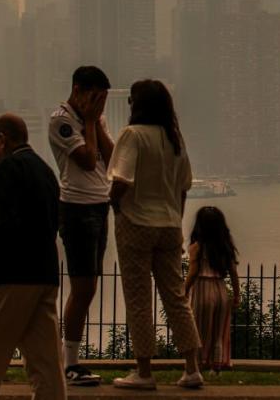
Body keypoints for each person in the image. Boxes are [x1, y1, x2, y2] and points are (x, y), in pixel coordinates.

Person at [0, 114, 65, 400]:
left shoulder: (7, 169)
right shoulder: (45, 171)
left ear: (2, 139)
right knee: (46, 364)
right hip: (44, 274)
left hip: (10, 276)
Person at [107, 80, 202, 390]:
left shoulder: (131, 136)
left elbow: (122, 179)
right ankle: (191, 367)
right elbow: (184, 186)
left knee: (138, 298)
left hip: (136, 222)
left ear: (138, 105)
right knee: (175, 296)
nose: (130, 105)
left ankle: (144, 371)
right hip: (169, 224)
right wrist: (175, 215)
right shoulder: (175, 139)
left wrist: (114, 204)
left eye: (132, 100)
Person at [48, 66, 114, 386]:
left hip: (100, 206)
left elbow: (112, 157)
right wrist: (88, 120)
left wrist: (96, 120)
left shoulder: (95, 120)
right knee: (83, 286)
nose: (99, 105)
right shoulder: (60, 121)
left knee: (89, 286)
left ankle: (71, 360)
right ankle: (69, 363)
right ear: (77, 91)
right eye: (95, 97)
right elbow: (87, 160)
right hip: (76, 209)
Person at [185, 206, 241, 374]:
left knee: (200, 331)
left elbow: (193, 272)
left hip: (202, 289)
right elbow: (233, 272)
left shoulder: (197, 247)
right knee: (219, 332)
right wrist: (237, 294)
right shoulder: (225, 246)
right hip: (221, 290)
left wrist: (184, 290)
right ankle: (217, 366)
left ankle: (200, 364)